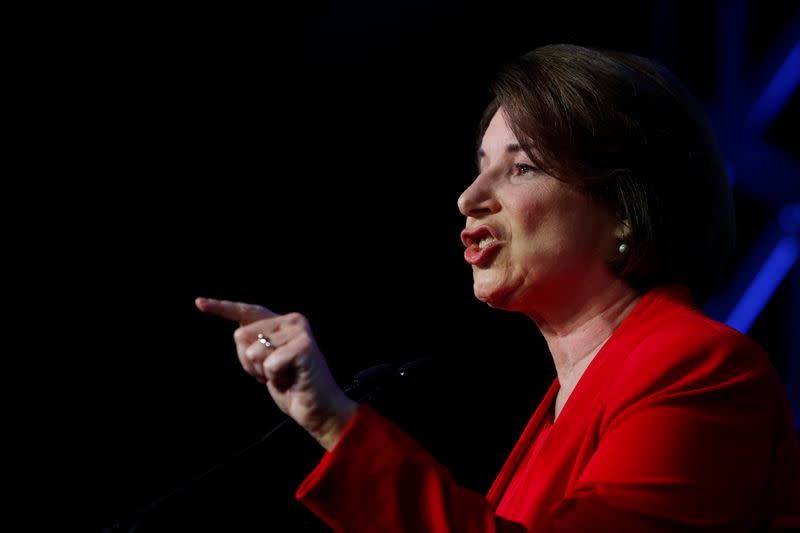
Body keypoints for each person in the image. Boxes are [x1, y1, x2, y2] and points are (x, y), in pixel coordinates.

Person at [195, 44, 800, 531]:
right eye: (480, 163)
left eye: (522, 167)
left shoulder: (700, 369)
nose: (469, 198)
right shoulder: (566, 404)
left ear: (623, 208)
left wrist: (335, 423)